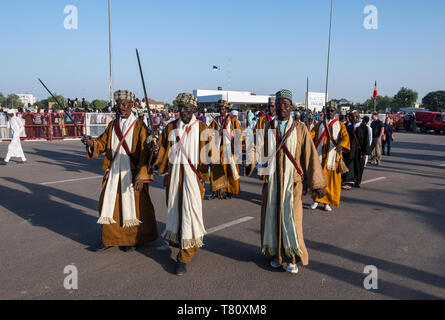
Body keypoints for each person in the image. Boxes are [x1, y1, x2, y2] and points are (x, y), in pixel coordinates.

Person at [246, 89, 327, 274]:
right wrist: (249, 161)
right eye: (279, 104)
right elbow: (256, 147)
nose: (282, 107)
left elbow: (310, 156)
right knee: (272, 218)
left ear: (291, 107)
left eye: (286, 104)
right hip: (273, 181)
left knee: (292, 221)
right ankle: (275, 255)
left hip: (293, 183)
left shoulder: (300, 129)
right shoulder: (267, 126)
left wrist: (317, 183)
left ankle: (291, 258)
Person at [82, 90, 158, 252]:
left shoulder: (139, 126)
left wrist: (142, 176)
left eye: (125, 104)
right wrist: (91, 144)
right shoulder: (112, 125)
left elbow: (146, 153)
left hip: (133, 173)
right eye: (119, 104)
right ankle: (109, 239)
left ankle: (131, 239)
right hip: (114, 171)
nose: (121, 107)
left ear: (131, 106)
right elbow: (101, 144)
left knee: (135, 206)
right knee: (109, 204)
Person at [150, 92, 212, 275]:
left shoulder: (202, 129)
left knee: (190, 215)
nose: (183, 111)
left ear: (194, 109)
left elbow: (211, 156)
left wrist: (207, 174)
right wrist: (155, 149)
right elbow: (162, 153)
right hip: (174, 179)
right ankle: (181, 244)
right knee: (175, 213)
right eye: (180, 107)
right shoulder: (170, 128)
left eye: (186, 108)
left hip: (193, 180)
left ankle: (184, 256)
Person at [310, 105, 350, 212]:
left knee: (331, 180)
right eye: (328, 111)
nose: (329, 112)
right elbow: (311, 134)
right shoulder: (320, 124)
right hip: (320, 156)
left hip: (332, 158)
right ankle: (316, 200)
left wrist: (341, 144)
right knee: (318, 178)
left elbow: (345, 137)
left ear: (335, 112)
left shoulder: (340, 125)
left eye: (332, 111)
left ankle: (327, 203)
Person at [209, 99, 243, 200]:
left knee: (229, 170)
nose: (221, 110)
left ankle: (229, 190)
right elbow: (209, 131)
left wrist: (230, 135)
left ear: (227, 109)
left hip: (229, 148)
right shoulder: (216, 119)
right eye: (220, 108)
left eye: (223, 108)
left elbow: (239, 133)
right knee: (216, 170)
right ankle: (216, 190)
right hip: (218, 147)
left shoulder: (232, 119)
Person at [342, 111, 371, 189]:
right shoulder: (349, 127)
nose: (350, 119)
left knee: (359, 166)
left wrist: (365, 153)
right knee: (350, 165)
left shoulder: (364, 127)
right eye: (350, 117)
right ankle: (349, 182)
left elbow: (366, 141)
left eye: (352, 117)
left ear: (357, 117)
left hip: (360, 151)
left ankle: (357, 181)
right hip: (350, 151)